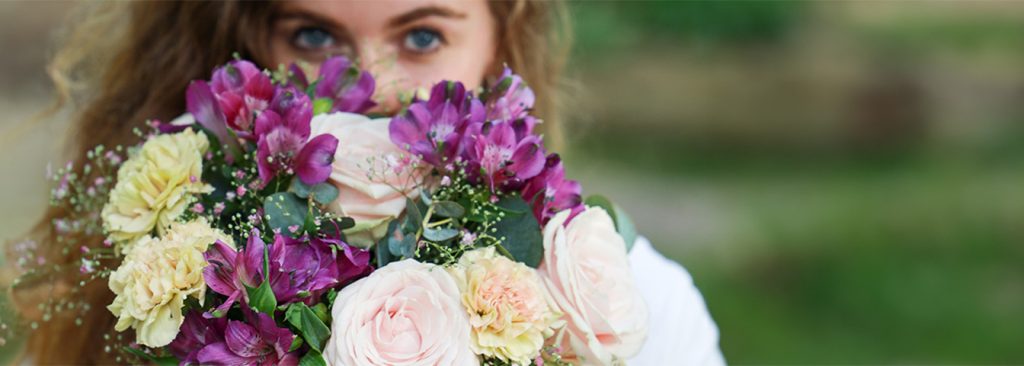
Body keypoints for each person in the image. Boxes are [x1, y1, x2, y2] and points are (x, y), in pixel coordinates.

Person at [9, 1, 724, 364]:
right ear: (249, 45)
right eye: (314, 37)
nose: (372, 89)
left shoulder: (634, 303)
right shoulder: (186, 288)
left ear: (501, 40)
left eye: (420, 38)